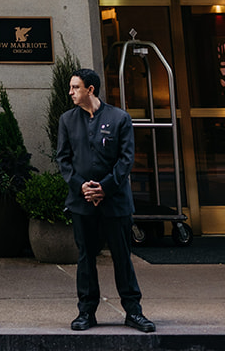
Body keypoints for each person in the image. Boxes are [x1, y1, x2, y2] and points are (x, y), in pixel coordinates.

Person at [56, 67, 155, 334]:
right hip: (82, 202)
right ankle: (86, 312)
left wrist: (105, 188)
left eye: (75, 87)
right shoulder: (67, 120)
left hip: (115, 202)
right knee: (86, 257)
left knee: (122, 256)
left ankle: (133, 312)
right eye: (70, 87)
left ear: (90, 89)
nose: (71, 92)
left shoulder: (119, 118)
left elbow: (126, 160)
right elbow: (63, 160)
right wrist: (81, 186)